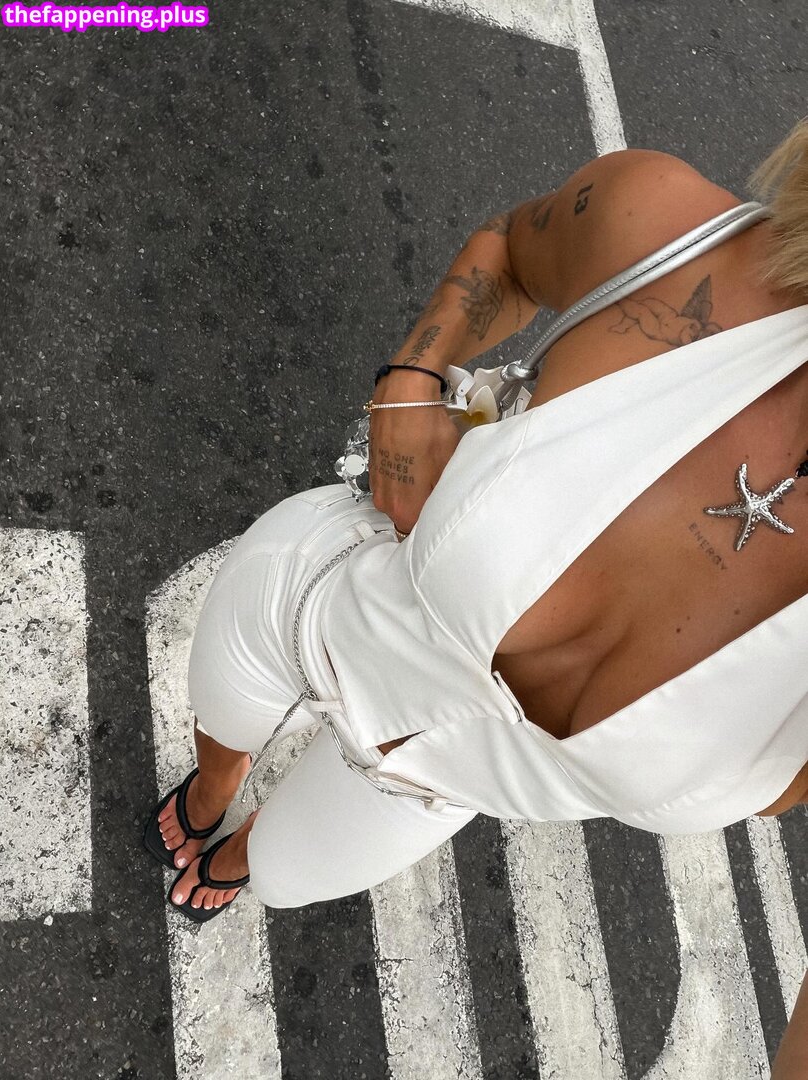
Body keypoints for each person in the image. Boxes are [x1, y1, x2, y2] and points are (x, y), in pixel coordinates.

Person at [144, 120, 808, 1061]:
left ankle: (242, 844)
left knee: (281, 878)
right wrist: (411, 381)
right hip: (305, 602)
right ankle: (216, 787)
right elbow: (509, 251)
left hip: (422, 792)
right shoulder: (667, 228)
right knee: (219, 724)